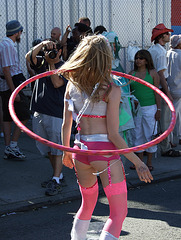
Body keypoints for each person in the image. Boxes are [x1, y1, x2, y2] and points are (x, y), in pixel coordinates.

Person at [59, 35, 153, 240]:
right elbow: (113, 134)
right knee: (118, 213)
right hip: (105, 154)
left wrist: (66, 151)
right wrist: (138, 163)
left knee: (86, 205)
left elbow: (66, 124)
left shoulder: (71, 85)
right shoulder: (111, 88)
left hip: (80, 152)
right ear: (106, 57)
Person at [25, 40, 67, 196]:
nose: (52, 52)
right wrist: (42, 45)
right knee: (46, 148)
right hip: (39, 110)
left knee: (56, 147)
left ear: (60, 52)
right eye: (51, 49)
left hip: (56, 112)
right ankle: (58, 175)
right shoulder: (42, 61)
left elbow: (56, 83)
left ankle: (56, 179)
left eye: (55, 49)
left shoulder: (66, 67)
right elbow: (29, 57)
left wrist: (51, 63)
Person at [148, 23, 181, 157]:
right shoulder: (161, 52)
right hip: (161, 88)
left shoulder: (153, 49)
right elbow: (161, 74)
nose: (169, 35)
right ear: (162, 36)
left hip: (151, 87)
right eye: (167, 33)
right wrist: (167, 93)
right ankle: (166, 148)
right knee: (165, 121)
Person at [0, 20, 30, 160]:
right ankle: (12, 146)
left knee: (7, 116)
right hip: (11, 85)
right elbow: (6, 70)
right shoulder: (7, 46)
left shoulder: (6, 44)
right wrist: (15, 92)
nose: (21, 35)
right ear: (17, 32)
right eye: (21, 32)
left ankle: (9, 148)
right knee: (24, 115)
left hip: (9, 85)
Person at [129, 50, 160, 171]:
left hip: (150, 108)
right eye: (137, 58)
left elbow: (157, 92)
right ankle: (140, 162)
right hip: (136, 109)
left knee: (150, 134)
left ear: (147, 60)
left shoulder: (152, 73)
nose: (138, 60)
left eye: (141, 58)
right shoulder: (131, 73)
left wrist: (159, 109)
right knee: (137, 134)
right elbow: (128, 91)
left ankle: (149, 162)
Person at [167, 35, 181, 145]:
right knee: (176, 116)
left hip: (169, 88)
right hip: (179, 89)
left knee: (171, 115)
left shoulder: (167, 53)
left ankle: (172, 139)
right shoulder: (179, 55)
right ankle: (175, 139)